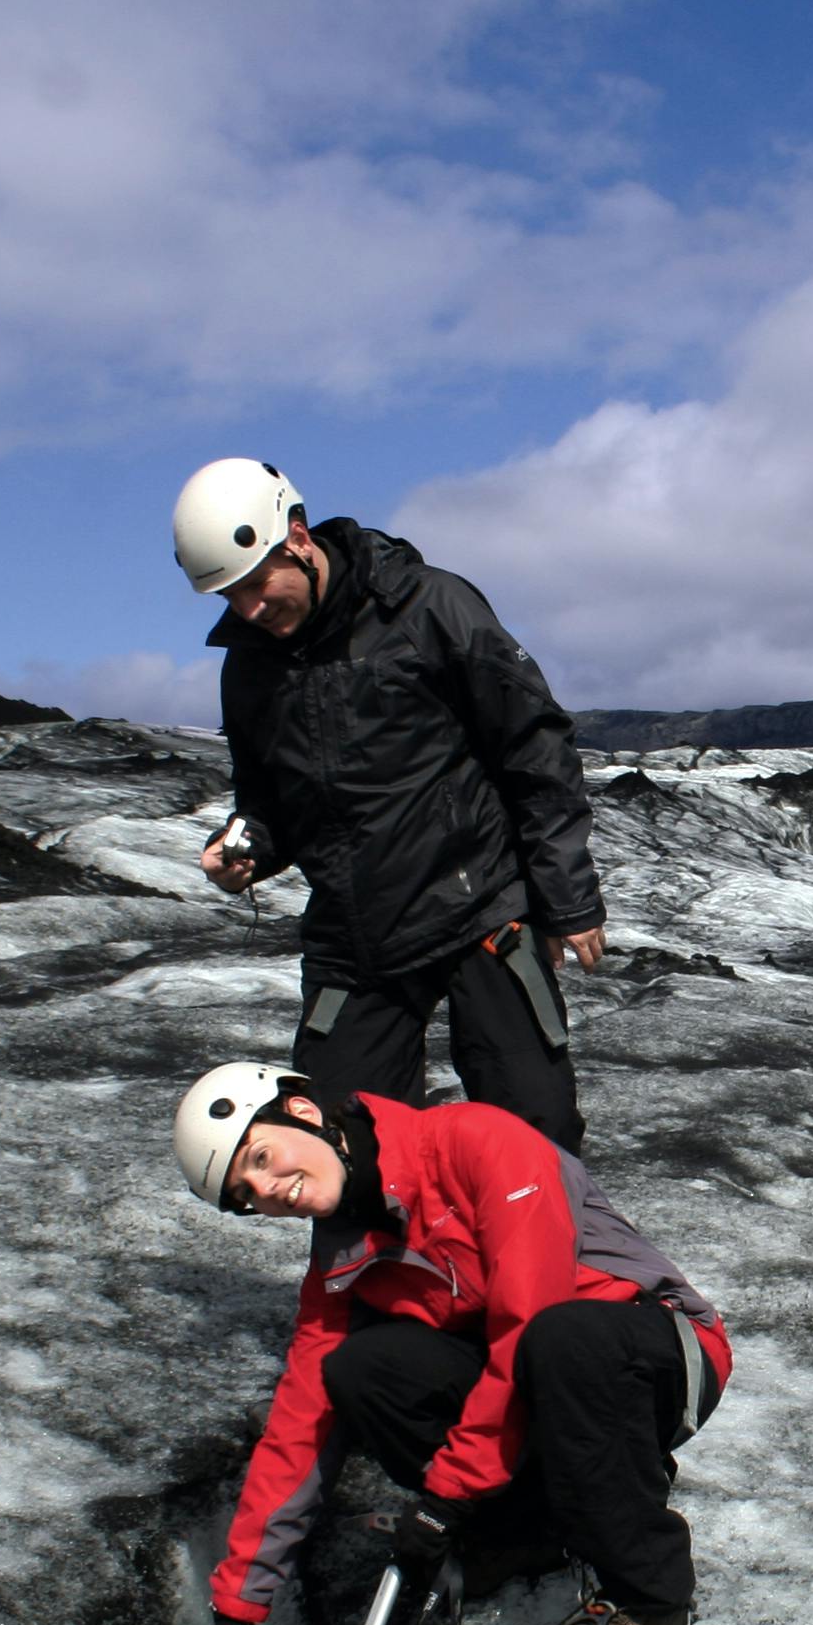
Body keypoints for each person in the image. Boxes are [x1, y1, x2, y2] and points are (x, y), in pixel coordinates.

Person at [172, 1061, 728, 1625]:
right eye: (249, 1194)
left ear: (300, 1112)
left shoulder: (477, 1142)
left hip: (660, 1356)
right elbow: (303, 1421)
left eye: (262, 1158)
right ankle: (526, 1532)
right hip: (544, 1388)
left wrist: (444, 1498)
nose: (272, 1189)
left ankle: (651, 1592)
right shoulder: (346, 1254)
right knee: (357, 1369)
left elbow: (525, 1325)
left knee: (558, 1337)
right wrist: (239, 1606)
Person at [173, 458, 606, 1152]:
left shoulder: (428, 607)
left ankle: (544, 1261)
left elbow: (536, 748)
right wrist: (246, 845)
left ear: (298, 536)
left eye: (257, 584)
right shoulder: (248, 667)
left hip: (479, 913)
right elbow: (265, 798)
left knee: (536, 1134)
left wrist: (569, 900)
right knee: (344, 1151)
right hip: (354, 942)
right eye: (229, 596)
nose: (248, 609)